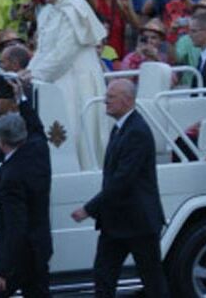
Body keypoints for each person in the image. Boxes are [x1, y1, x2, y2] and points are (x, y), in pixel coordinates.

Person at [70, 79, 169, 298]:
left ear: (127, 100)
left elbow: (123, 181)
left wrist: (89, 209)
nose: (105, 100)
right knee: (103, 276)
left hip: (138, 222)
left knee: (152, 280)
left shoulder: (136, 132)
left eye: (111, 96)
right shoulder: (120, 129)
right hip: (116, 222)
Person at [26, 0, 108, 170]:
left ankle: (85, 172)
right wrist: (27, 71)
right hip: (55, 80)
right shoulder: (47, 11)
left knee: (76, 129)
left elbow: (64, 52)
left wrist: (34, 75)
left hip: (78, 81)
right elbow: (43, 50)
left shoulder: (74, 8)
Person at [0, 114, 52, 297]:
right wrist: (22, 100)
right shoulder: (40, 150)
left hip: (18, 255)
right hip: (39, 248)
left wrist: (1, 270)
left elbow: (16, 227)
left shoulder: (12, 178)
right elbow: (38, 129)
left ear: (0, 141)